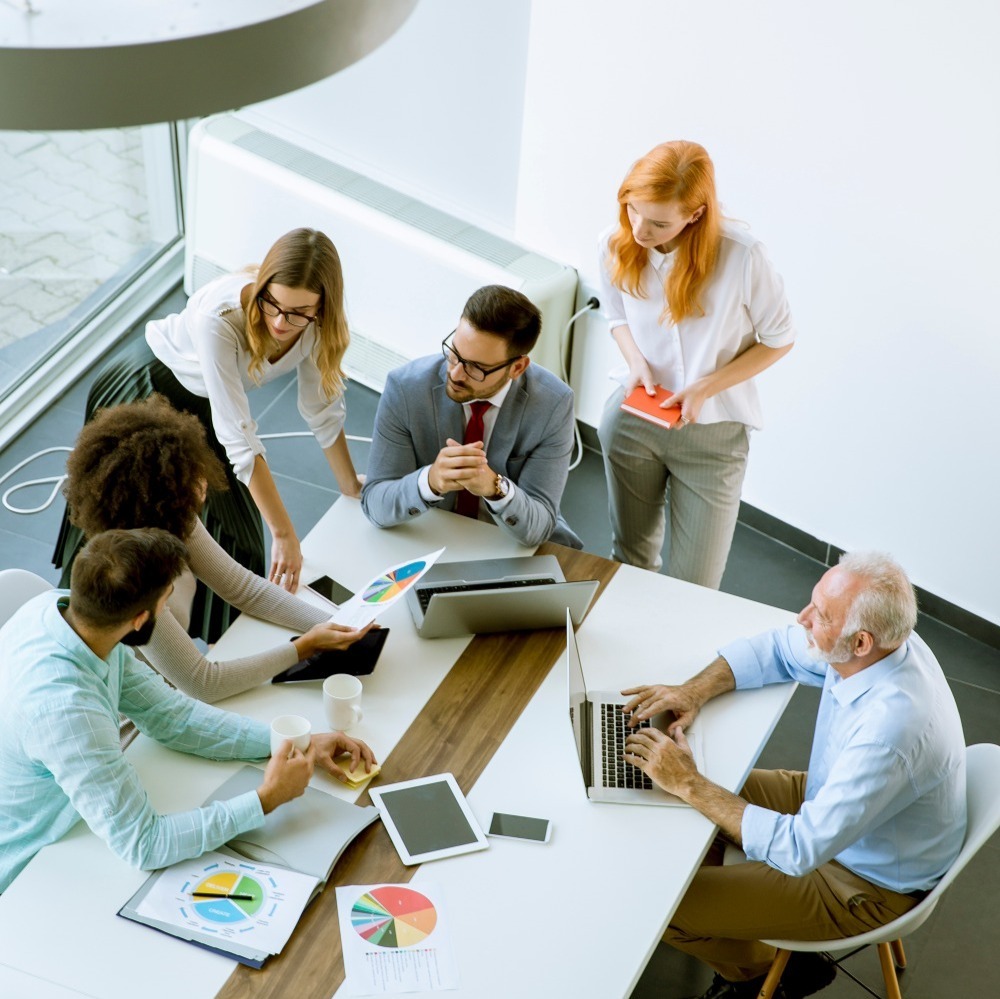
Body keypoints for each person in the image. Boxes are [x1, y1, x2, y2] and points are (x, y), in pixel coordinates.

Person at [621, 552, 966, 999]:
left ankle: (771, 974)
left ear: (861, 642)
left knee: (658, 906)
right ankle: (736, 914)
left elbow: (800, 848)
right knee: (682, 788)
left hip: (861, 879)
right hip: (839, 810)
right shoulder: (884, 646)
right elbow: (780, 649)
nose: (801, 618)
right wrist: (692, 691)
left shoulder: (890, 731)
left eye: (819, 615)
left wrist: (691, 783)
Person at [0, 528, 376, 894]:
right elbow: (144, 845)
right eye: (166, 600)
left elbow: (170, 716)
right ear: (139, 620)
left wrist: (292, 741)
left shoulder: (66, 611)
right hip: (37, 863)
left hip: (76, 811)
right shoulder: (68, 714)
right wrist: (267, 799)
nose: (169, 608)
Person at [54, 227, 361, 641]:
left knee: (243, 546)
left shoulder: (317, 326)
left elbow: (322, 408)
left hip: (206, 409)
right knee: (123, 530)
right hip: (147, 391)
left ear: (323, 306)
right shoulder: (220, 317)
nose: (280, 322)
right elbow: (239, 438)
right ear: (263, 283)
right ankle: (86, 623)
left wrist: (351, 487)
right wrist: (285, 534)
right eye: (272, 303)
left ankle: (218, 648)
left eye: (299, 312)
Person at [59, 394, 374, 704]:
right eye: (190, 475)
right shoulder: (132, 574)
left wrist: (339, 621)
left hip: (172, 691)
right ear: (160, 497)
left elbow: (244, 588)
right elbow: (202, 682)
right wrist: (303, 648)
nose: (203, 480)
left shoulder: (177, 521)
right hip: (140, 714)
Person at [598, 141, 795, 587]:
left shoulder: (743, 256)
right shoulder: (615, 243)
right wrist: (636, 361)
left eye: (659, 222)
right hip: (633, 421)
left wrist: (705, 387)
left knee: (695, 588)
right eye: (633, 211)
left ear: (695, 214)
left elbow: (779, 339)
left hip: (713, 439)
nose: (641, 230)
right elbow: (615, 316)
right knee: (629, 561)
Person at [361, 284, 582, 549]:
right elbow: (374, 503)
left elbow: (540, 525)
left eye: (477, 368)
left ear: (517, 367)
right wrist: (429, 481)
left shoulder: (553, 404)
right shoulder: (405, 388)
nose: (455, 374)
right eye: (454, 354)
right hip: (427, 534)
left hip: (510, 541)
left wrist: (495, 487)